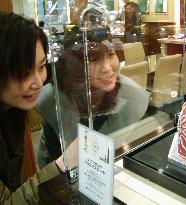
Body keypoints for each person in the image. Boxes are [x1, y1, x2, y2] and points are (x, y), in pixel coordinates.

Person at [36, 26, 149, 168]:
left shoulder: (132, 97)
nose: (107, 67)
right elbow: (51, 160)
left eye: (110, 54)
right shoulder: (54, 100)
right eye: (94, 59)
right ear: (74, 65)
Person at [0, 12, 67, 204]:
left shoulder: (12, 112)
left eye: (42, 66)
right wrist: (61, 164)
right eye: (23, 72)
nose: (38, 82)